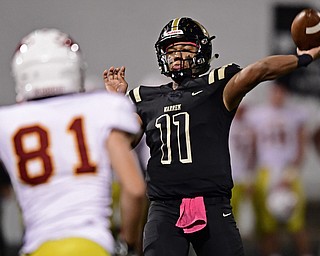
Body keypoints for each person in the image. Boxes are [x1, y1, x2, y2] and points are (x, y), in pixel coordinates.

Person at [103, 17, 320, 256]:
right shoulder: (145, 97)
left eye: (186, 48)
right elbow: (125, 142)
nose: (177, 56)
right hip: (164, 207)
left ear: (203, 51)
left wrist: (302, 57)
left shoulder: (217, 86)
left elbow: (260, 70)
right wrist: (117, 103)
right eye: (172, 50)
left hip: (212, 203)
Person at [0, 28, 146, 256]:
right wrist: (129, 244)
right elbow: (135, 189)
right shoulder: (104, 107)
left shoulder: (6, 122)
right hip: (92, 244)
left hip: (38, 247)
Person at [248, 81, 312, 256]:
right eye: (275, 91)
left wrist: (290, 174)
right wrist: (250, 176)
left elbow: (300, 147)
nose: (278, 95)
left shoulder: (296, 114)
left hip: (287, 171)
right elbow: (253, 148)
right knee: (267, 225)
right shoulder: (256, 115)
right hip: (265, 171)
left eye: (281, 91)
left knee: (296, 223)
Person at [229, 104, 256, 239]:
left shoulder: (249, 127)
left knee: (238, 225)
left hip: (240, 177)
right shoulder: (228, 123)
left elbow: (252, 155)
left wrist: (249, 177)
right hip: (228, 177)